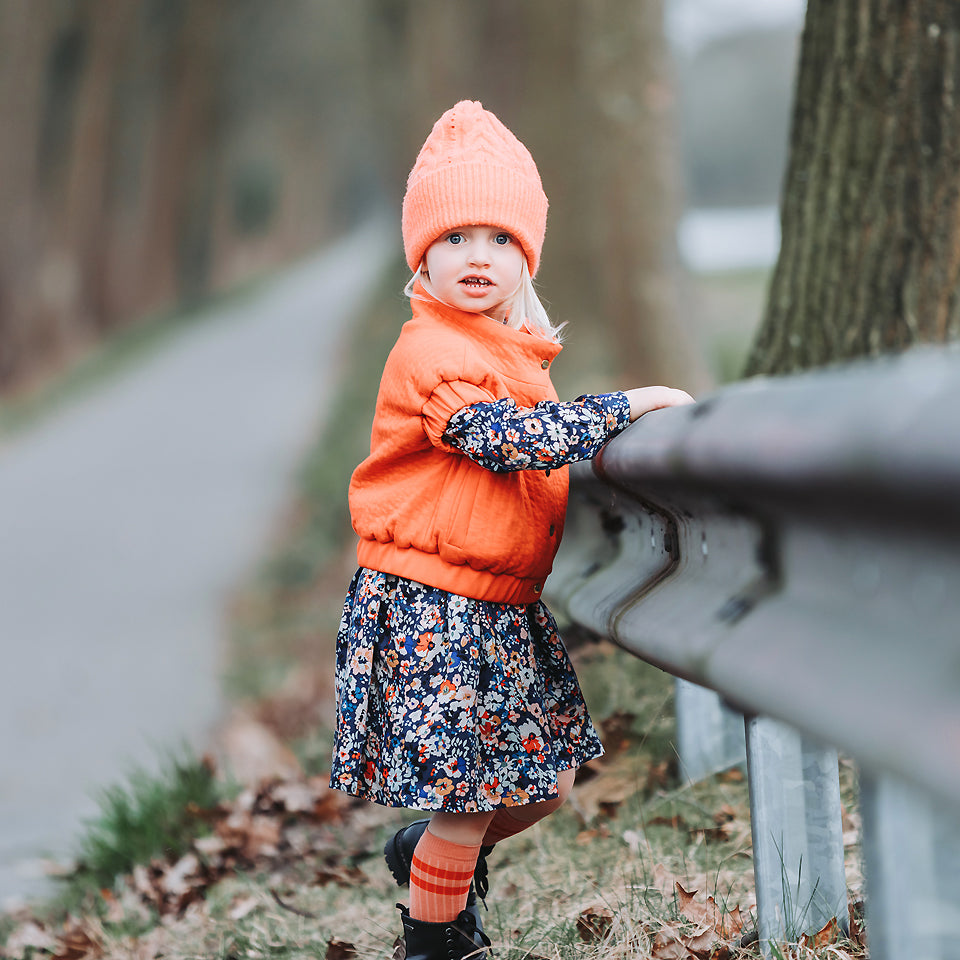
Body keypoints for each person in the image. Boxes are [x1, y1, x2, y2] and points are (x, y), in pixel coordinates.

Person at [329, 100, 694, 959]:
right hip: (431, 607)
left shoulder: (510, 355)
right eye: (455, 239)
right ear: (423, 255)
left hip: (499, 605)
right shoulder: (431, 354)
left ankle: (427, 861)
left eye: (498, 238)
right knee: (468, 796)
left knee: (546, 782)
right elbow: (504, 441)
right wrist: (629, 406)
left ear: (525, 254)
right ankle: (437, 940)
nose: (478, 257)